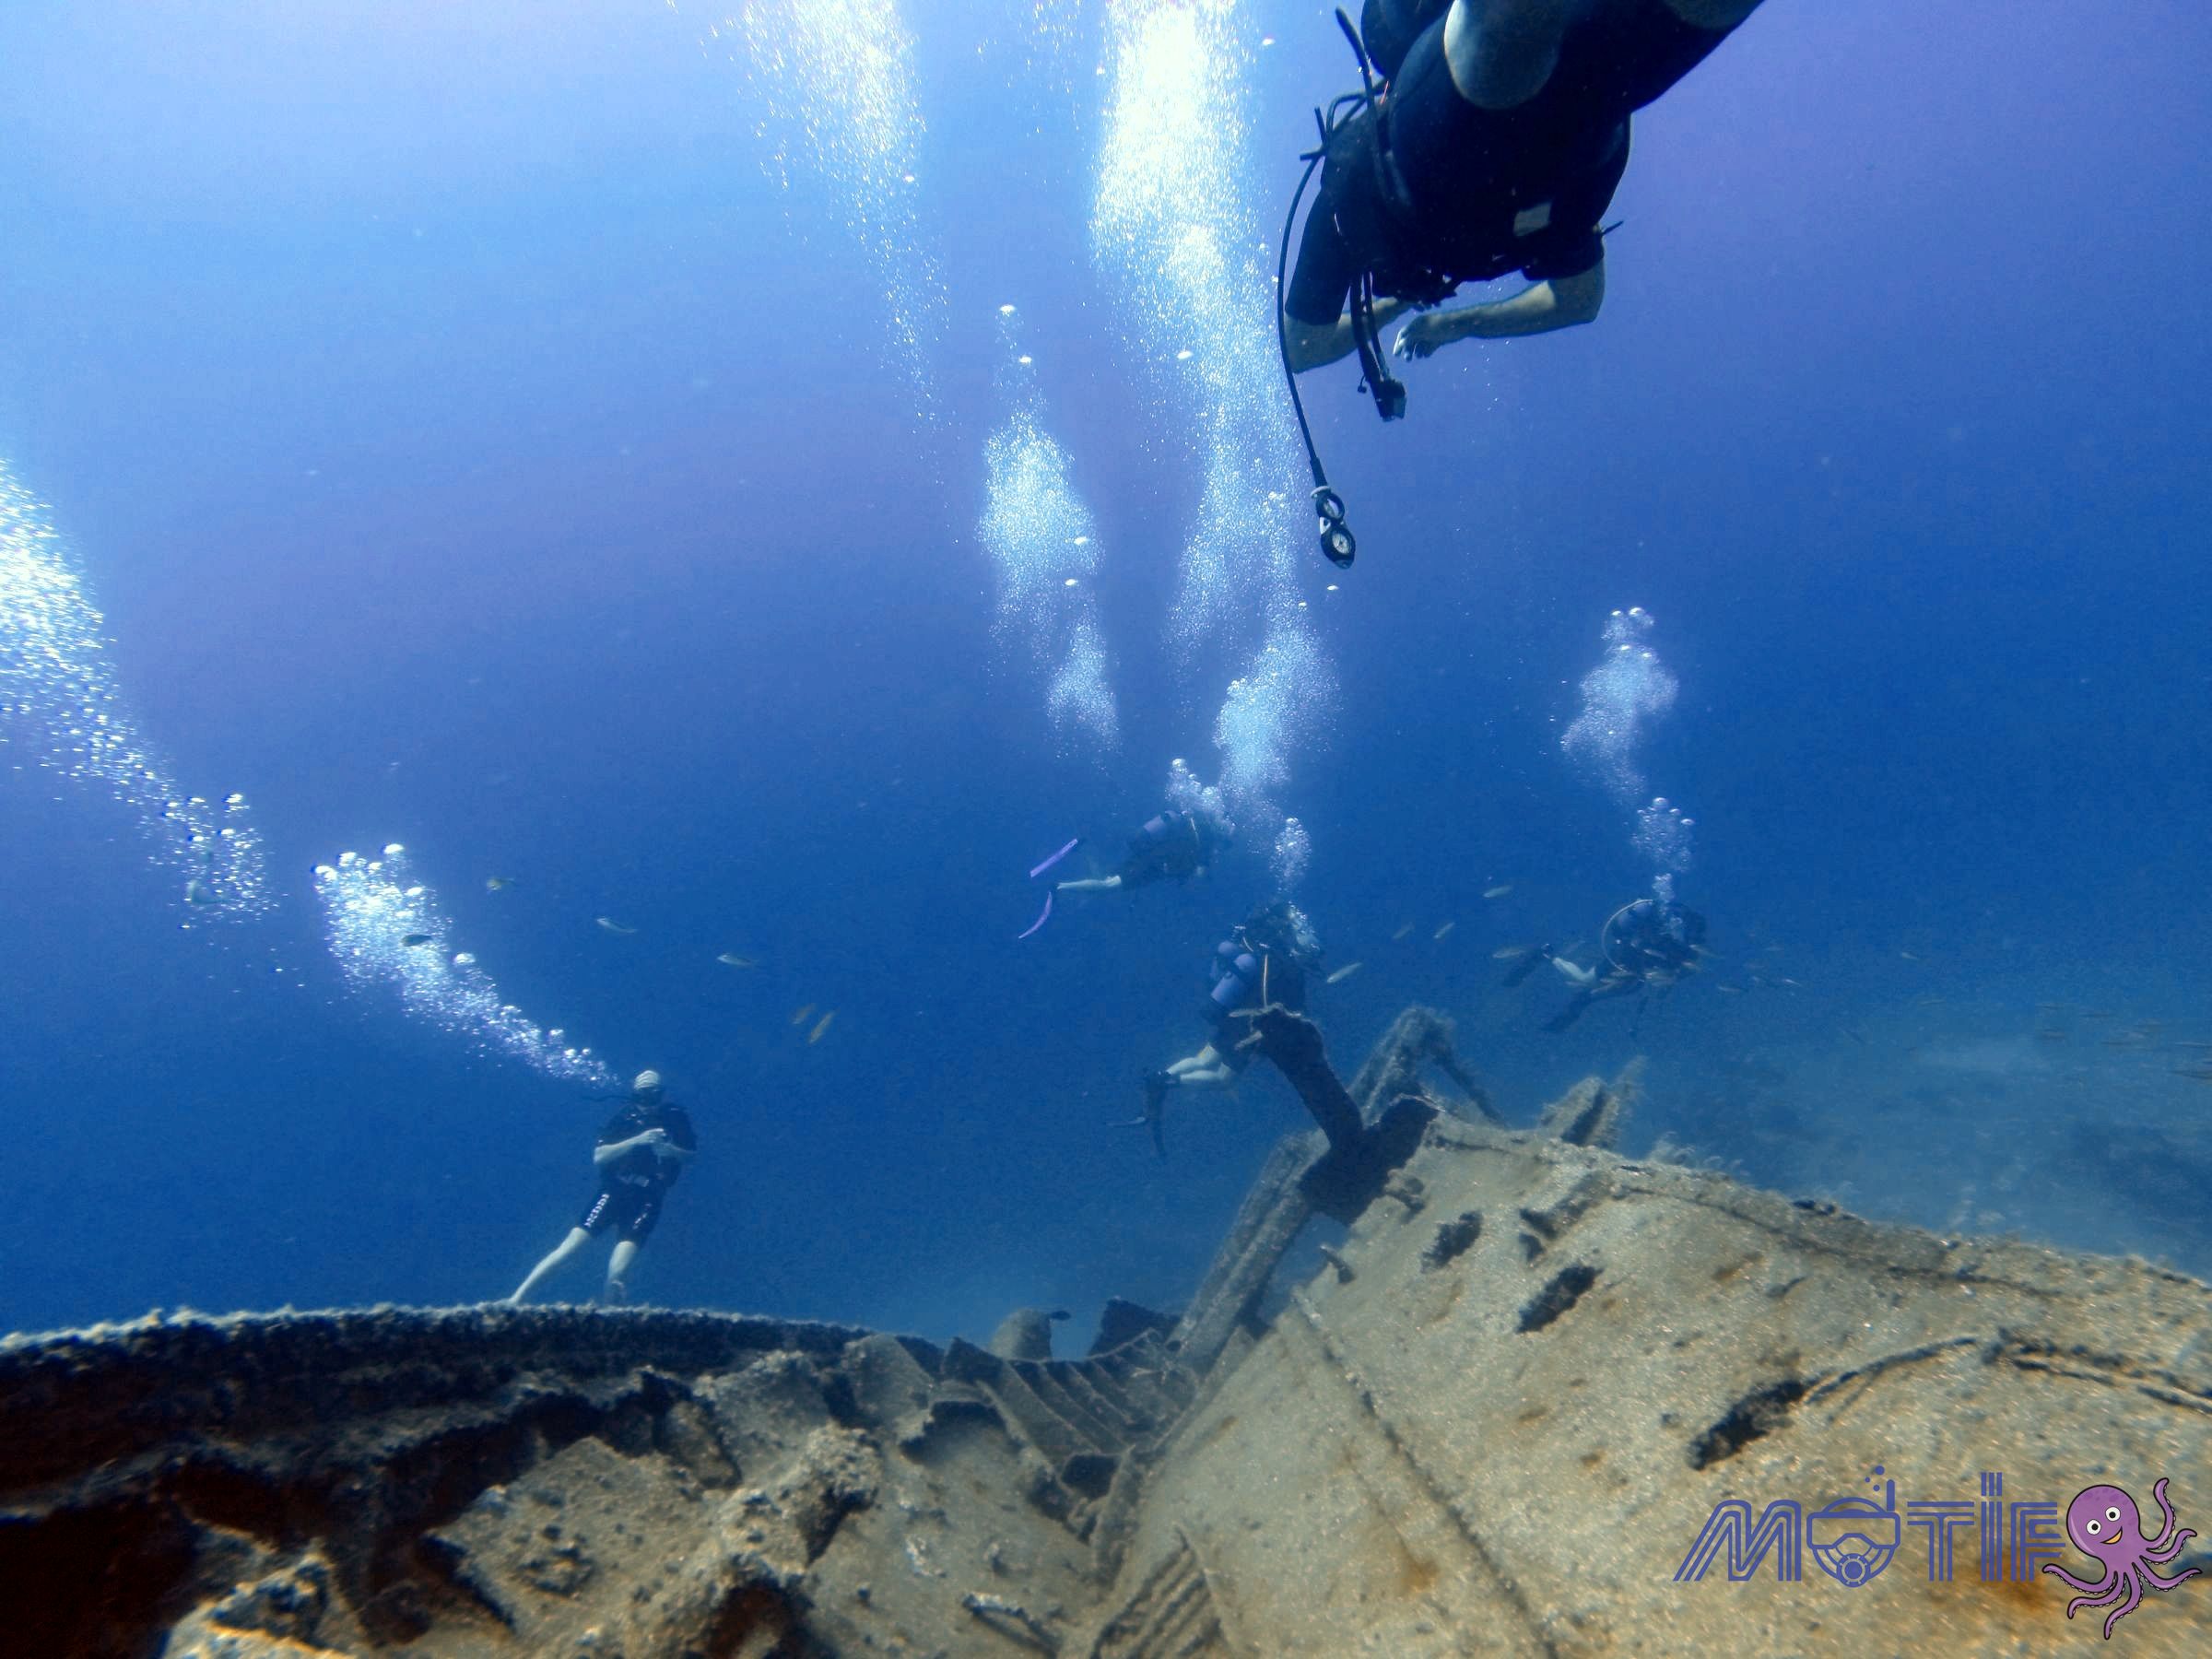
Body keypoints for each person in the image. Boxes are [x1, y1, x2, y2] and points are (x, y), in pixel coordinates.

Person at [1284, 0, 1769, 378]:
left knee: (1505, 31)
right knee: (1510, 33)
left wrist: (1426, 314)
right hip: (1569, 147)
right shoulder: (1354, 204)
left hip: (1480, 159)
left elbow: (1303, 346)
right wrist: (1448, 323)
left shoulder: (1352, 206)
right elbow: (1579, 301)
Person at [1136, 900, 1323, 1151]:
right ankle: (1169, 1083)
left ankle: (1161, 1076)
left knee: (1202, 1059)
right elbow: (1289, 1005)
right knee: (1223, 1079)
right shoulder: (1287, 965)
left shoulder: (1265, 953)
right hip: (1249, 1028)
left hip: (1232, 1015)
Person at [506, 1070, 698, 1305]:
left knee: (619, 1270)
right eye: (643, 1095)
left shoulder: (675, 1117)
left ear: (661, 1094)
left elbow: (690, 1156)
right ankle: (516, 1299)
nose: (648, 1102)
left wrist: (670, 1151)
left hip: (648, 1197)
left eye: (654, 1095)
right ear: (635, 1094)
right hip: (615, 1190)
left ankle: (610, 1312)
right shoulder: (624, 1118)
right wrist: (638, 1140)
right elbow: (599, 1156)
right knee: (569, 1249)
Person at [1508, 894, 1706, 1031]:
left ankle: (1584, 999)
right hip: (1630, 955)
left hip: (1644, 964)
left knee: (1625, 988)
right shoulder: (1678, 940)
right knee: (1586, 980)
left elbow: (1685, 965)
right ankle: (1547, 956)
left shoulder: (1684, 941)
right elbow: (1684, 963)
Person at [1055, 806, 1230, 896]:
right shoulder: (1205, 844)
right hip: (1153, 864)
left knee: (1105, 882)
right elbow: (1198, 875)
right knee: (1107, 886)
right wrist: (1207, 866)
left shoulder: (1191, 830)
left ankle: (1087, 853)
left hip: (1152, 860)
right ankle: (1059, 887)